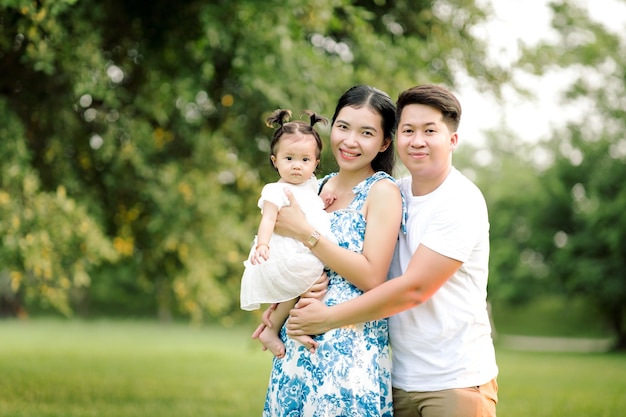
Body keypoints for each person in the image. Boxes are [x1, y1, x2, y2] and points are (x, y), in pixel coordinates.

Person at [285, 84, 499, 417]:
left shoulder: (461, 200)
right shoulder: (393, 192)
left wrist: (327, 318)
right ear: (396, 138)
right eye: (409, 130)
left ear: (452, 140)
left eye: (430, 131)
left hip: (454, 381)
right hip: (396, 377)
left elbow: (414, 289)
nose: (417, 141)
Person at [257, 85, 405, 417]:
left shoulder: (382, 192)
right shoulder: (315, 185)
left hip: (349, 354)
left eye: (366, 133)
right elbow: (283, 246)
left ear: (383, 142)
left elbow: (371, 276)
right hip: (297, 346)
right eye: (343, 127)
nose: (350, 141)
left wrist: (307, 233)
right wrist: (279, 300)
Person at [240, 109, 335, 358]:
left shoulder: (313, 185)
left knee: (312, 283)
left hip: (304, 247)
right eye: (289, 158)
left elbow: (311, 208)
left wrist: (325, 201)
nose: (296, 166)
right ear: (275, 160)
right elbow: (268, 219)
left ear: (315, 163)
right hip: (283, 250)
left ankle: (289, 325)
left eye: (305, 160)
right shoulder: (274, 190)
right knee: (312, 280)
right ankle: (289, 327)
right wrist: (262, 245)